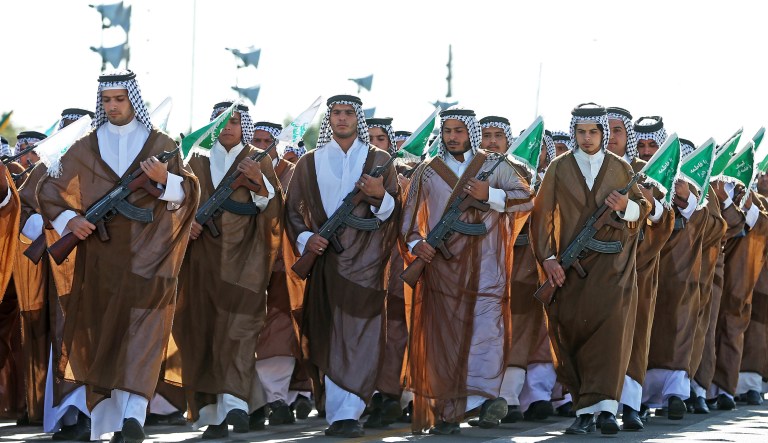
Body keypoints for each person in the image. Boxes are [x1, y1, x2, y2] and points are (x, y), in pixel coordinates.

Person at [36, 69, 199, 443]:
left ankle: (133, 417)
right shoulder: (86, 147)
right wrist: (70, 220)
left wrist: (165, 179)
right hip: (101, 260)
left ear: (133, 100)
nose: (112, 107)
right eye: (106, 101)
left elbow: (189, 193)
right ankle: (109, 422)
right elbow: (49, 191)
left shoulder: (160, 143)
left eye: (119, 100)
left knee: (143, 335)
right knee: (104, 338)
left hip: (150, 259)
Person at [402, 108, 533, 435]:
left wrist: (490, 195)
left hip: (488, 269)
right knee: (444, 341)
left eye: (459, 130)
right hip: (442, 270)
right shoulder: (428, 171)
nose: (452, 137)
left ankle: (484, 400)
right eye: (447, 131)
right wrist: (417, 245)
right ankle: (448, 411)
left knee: (486, 336)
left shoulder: (494, 165)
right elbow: (409, 223)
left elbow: (525, 199)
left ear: (470, 133)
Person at [284, 94, 400, 438]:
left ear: (357, 118)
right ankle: (340, 414)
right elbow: (293, 211)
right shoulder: (310, 161)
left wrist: (378, 194)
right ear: (329, 118)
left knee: (362, 334)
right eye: (336, 113)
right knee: (331, 333)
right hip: (325, 262)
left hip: (367, 263)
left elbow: (394, 211)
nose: (342, 118)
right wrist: (307, 239)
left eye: (349, 113)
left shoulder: (379, 159)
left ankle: (352, 410)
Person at [530, 103, 649, 435]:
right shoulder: (559, 167)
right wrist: (548, 258)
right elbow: (542, 215)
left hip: (613, 269)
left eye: (593, 132)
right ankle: (583, 408)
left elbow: (643, 209)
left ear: (602, 133)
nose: (586, 138)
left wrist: (626, 206)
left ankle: (606, 409)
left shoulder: (620, 167)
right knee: (573, 336)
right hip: (570, 271)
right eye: (581, 132)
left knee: (610, 339)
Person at [174, 102, 280, 439]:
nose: (228, 128)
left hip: (246, 261)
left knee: (239, 331)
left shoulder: (258, 158)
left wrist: (257, 181)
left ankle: (236, 404)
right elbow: (175, 202)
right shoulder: (195, 158)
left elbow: (274, 207)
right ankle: (214, 416)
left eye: (234, 122)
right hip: (201, 264)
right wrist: (186, 223)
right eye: (222, 122)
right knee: (204, 333)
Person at [606, 107, 674, 431]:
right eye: (605, 130)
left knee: (635, 333)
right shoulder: (584, 169)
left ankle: (631, 404)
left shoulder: (644, 174)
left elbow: (664, 216)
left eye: (617, 130)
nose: (610, 137)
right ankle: (596, 406)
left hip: (637, 267)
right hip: (593, 267)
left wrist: (648, 203)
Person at [642, 123, 707, 422]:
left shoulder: (693, 187)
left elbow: (715, 224)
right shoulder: (637, 177)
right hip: (646, 268)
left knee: (679, 330)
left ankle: (676, 394)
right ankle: (637, 398)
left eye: (652, 146)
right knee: (645, 332)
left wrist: (689, 199)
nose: (646, 152)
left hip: (681, 274)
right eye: (642, 146)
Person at [478, 115, 540, 424]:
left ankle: (509, 398)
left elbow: (526, 204)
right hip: (481, 261)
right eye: (486, 135)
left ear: (508, 141)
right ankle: (484, 398)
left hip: (520, 260)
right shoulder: (469, 169)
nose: (491, 141)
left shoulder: (521, 171)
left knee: (518, 328)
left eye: (497, 136)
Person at [250, 120, 310, 427]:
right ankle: (254, 402)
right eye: (256, 140)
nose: (260, 146)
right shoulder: (240, 170)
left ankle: (277, 398)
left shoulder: (293, 171)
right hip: (245, 268)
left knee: (280, 333)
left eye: (266, 141)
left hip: (284, 268)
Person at [364, 117, 410, 428]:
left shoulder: (406, 177)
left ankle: (391, 394)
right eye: (368, 138)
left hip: (395, 264)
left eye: (380, 139)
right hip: (358, 265)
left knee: (394, 332)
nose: (374, 145)